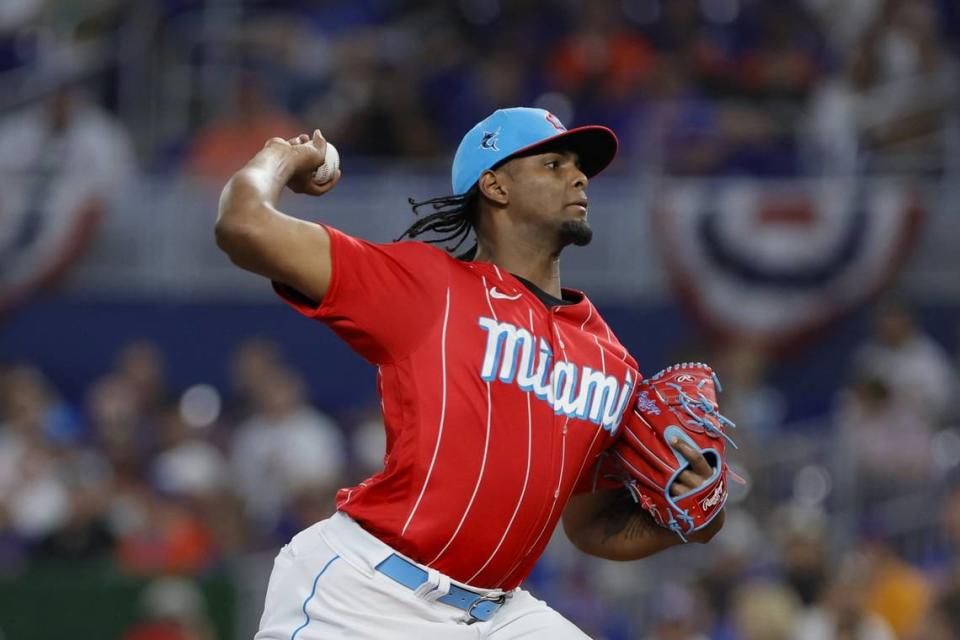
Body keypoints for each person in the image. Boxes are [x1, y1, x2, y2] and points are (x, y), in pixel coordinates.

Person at [215, 107, 723, 638]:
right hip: (365, 594)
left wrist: (696, 518)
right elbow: (243, 224)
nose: (577, 176)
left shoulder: (610, 359)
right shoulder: (426, 288)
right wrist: (282, 154)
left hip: (499, 614)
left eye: (579, 166)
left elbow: (591, 526)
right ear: (495, 186)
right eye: (552, 164)